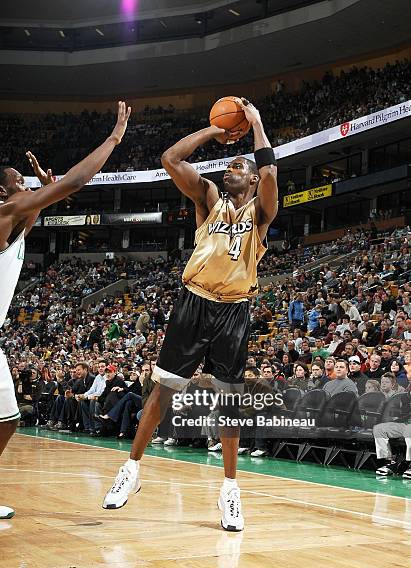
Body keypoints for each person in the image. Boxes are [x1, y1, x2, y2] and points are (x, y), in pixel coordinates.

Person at [103, 98, 278, 532]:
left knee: (228, 401)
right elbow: (171, 158)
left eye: (239, 165)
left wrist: (254, 123)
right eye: (231, 163)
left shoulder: (261, 212)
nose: (231, 168)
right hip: (194, 302)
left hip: (234, 311)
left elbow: (271, 171)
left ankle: (230, 492)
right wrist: (215, 132)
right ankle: (131, 471)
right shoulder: (210, 199)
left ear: (253, 180)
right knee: (162, 393)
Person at [0, 101, 130, 519]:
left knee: (8, 418)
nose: (26, 184)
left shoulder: (15, 217)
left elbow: (34, 212)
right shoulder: (3, 213)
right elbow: (74, 182)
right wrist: (114, 137)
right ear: (4, 191)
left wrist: (41, 190)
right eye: (19, 180)